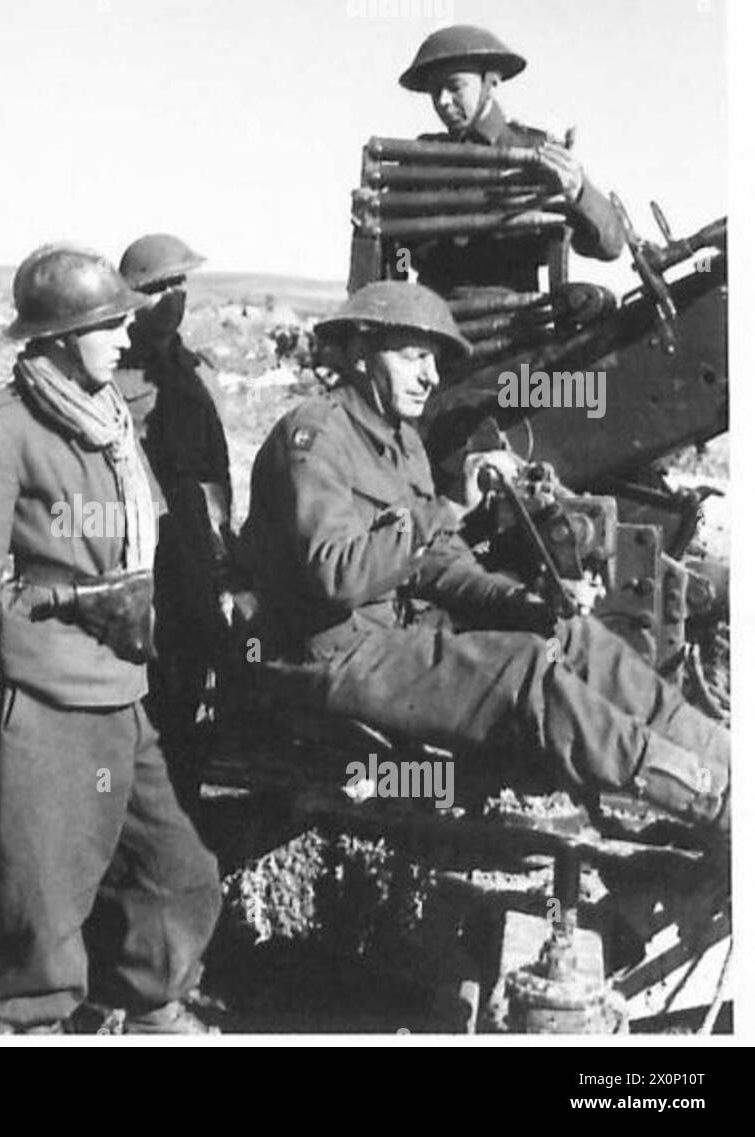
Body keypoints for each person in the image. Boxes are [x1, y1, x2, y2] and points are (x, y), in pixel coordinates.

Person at [235, 282, 729, 838]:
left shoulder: (402, 440)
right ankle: (710, 800)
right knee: (526, 671)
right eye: (411, 356)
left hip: (393, 635)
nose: (429, 375)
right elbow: (336, 576)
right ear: (358, 352)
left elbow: (438, 562)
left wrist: (527, 603)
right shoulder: (316, 439)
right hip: (328, 654)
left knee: (572, 638)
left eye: (434, 360)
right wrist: (446, 508)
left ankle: (727, 762)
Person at [0, 243, 222, 1033]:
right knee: (44, 896)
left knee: (178, 872)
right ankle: (38, 1019)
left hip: (123, 685)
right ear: (60, 336)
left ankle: (141, 994)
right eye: (109, 326)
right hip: (49, 692)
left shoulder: (110, 420)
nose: (126, 341)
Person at [116, 233, 233, 802]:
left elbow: (218, 469)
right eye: (158, 287)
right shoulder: (108, 378)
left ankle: (179, 814)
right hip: (139, 557)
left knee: (190, 688)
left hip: (192, 554)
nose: (173, 298)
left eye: (180, 284)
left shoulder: (195, 373)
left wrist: (223, 555)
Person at [395, 25, 624, 296]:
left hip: (517, 324)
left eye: (455, 87)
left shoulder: (536, 153)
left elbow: (610, 245)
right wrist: (402, 289)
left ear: (490, 83)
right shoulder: (419, 163)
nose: (443, 101)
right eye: (435, 92)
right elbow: (401, 247)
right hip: (431, 322)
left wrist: (578, 194)